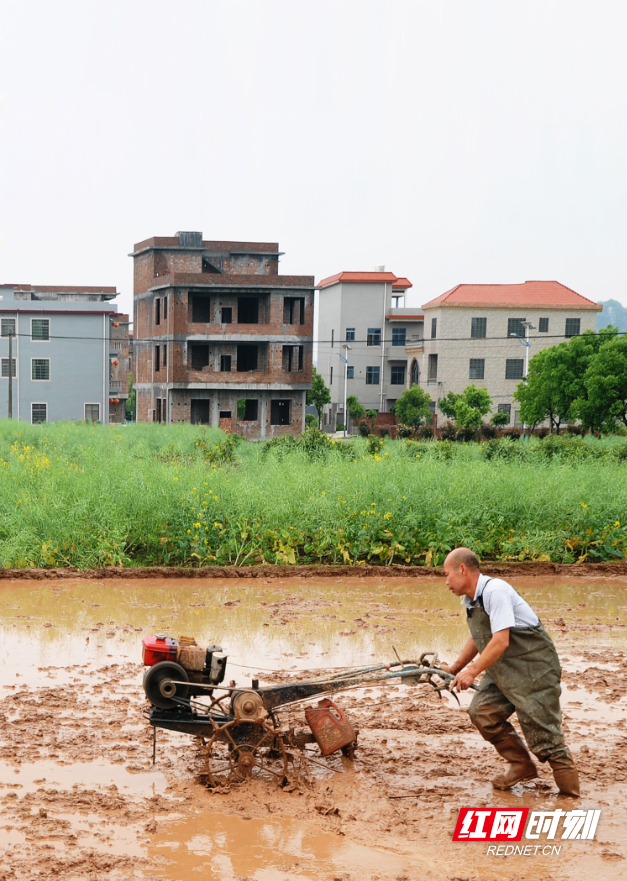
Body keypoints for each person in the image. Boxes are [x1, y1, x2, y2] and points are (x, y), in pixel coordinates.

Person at [440, 547, 579, 797]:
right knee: (483, 711)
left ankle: (570, 800)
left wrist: (472, 672)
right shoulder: (473, 601)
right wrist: (455, 668)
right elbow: (478, 636)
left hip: (533, 668)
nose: (446, 582)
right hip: (503, 669)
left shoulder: (496, 591)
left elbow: (501, 641)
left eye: (447, 574)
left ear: (463, 569)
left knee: (547, 739)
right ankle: (521, 765)